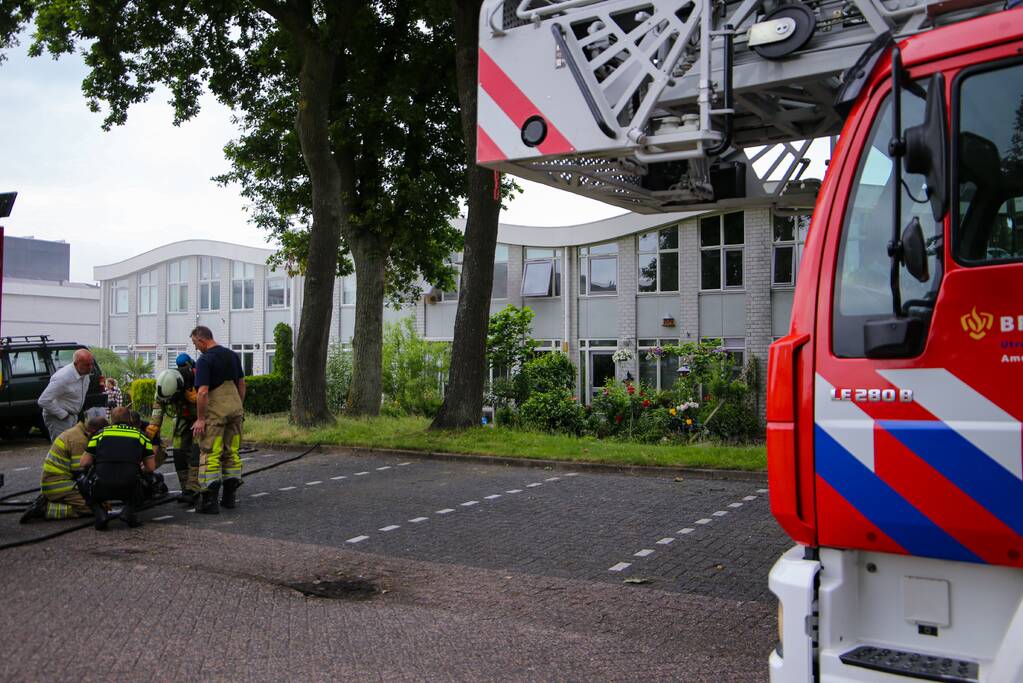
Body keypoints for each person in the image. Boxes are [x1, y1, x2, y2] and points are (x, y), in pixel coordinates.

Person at [190, 326, 245, 514]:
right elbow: (241, 383)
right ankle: (229, 498)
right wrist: (238, 406)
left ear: (201, 339)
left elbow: (203, 392)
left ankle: (209, 502)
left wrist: (200, 419)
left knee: (210, 454)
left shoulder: (205, 360)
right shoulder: (232, 355)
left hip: (215, 414)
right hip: (235, 411)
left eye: (195, 343)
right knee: (232, 452)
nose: (196, 348)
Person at [19, 415, 109, 523]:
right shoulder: (79, 441)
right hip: (59, 485)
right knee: (96, 508)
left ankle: (50, 501)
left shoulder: (78, 432)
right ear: (94, 431)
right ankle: (46, 509)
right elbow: (81, 474)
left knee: (101, 502)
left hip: (57, 482)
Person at [79, 406, 157, 530]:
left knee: (81, 479)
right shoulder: (141, 436)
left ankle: (99, 513)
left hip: (100, 487)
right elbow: (151, 467)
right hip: (130, 487)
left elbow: (84, 463)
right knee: (153, 480)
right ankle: (129, 511)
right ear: (130, 419)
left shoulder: (100, 434)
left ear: (111, 419)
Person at [146, 354, 200, 505]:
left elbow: (214, 401)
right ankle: (186, 489)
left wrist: (199, 400)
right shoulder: (166, 382)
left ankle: (194, 489)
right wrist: (154, 424)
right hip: (183, 420)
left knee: (196, 452)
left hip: (201, 420)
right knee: (178, 452)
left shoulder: (198, 378)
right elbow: (159, 403)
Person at [38, 348, 94, 443]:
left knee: (71, 446)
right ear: (76, 364)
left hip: (73, 416)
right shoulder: (62, 377)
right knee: (61, 448)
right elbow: (43, 401)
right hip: (58, 418)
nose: (90, 367)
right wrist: (63, 415)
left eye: (91, 364)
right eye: (86, 365)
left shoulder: (85, 374)